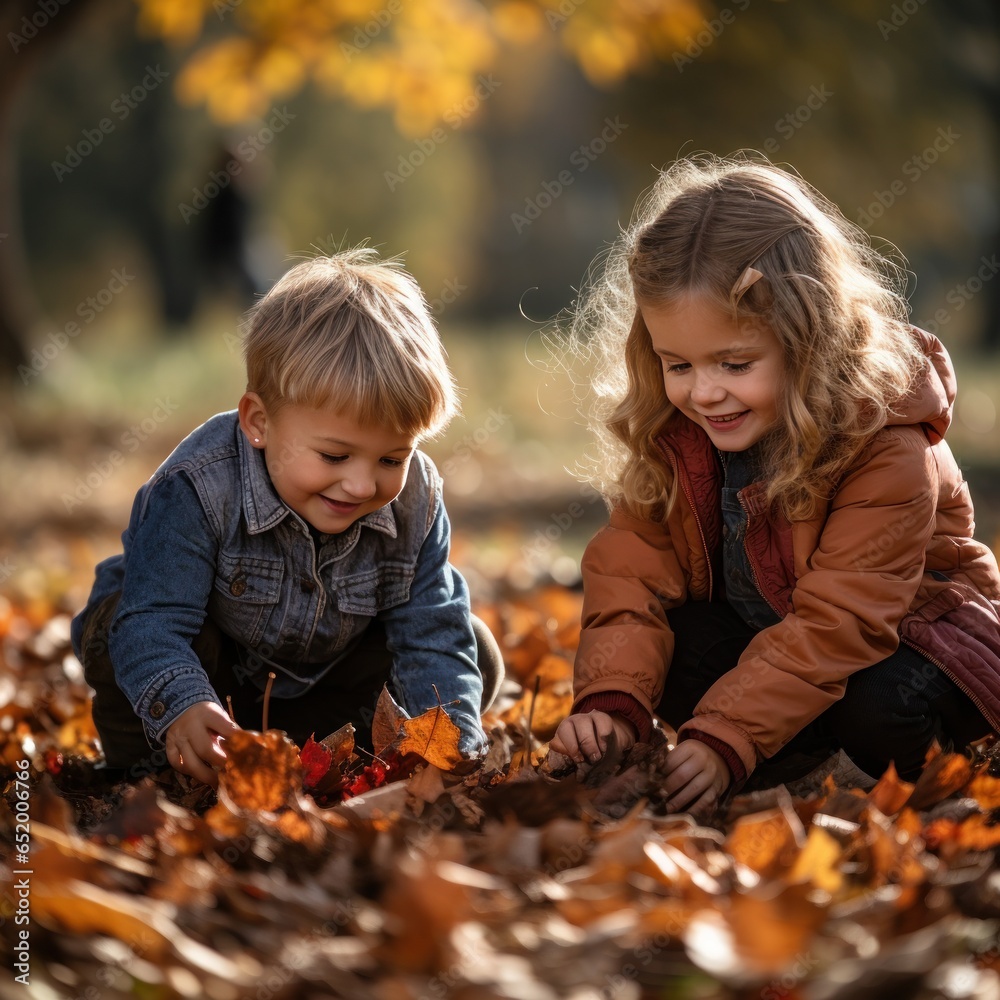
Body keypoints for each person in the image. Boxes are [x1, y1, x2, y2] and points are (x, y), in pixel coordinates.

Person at [550, 153, 1000, 815]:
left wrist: (727, 735)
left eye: (734, 363)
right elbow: (629, 581)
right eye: (677, 364)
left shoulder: (884, 441)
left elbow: (841, 621)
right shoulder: (673, 434)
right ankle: (797, 768)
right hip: (781, 651)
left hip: (911, 642)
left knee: (885, 709)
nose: (704, 392)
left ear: (808, 338)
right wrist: (612, 705)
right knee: (677, 647)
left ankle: (917, 779)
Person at [72, 249, 503, 787]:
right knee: (119, 625)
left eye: (392, 458)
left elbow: (431, 636)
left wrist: (448, 755)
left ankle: (340, 757)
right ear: (259, 421)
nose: (363, 484)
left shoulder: (415, 500)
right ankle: (149, 770)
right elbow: (153, 622)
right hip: (215, 680)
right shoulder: (198, 488)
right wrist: (181, 704)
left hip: (329, 687)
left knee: (472, 649)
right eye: (334, 456)